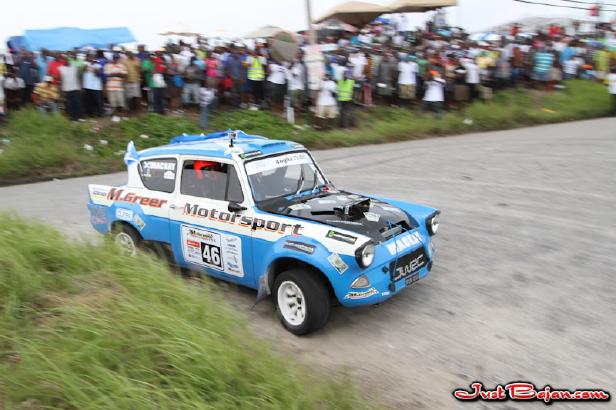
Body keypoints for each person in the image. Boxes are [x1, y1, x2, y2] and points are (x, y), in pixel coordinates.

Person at [58, 57, 82, 121]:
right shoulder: (61, 68)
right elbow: (61, 80)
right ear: (63, 61)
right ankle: (72, 118)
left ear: (70, 60)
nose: (66, 61)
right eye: (65, 60)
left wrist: (80, 87)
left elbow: (78, 77)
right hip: (66, 90)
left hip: (75, 88)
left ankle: (78, 117)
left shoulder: (74, 67)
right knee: (69, 105)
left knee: (77, 103)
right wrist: (62, 90)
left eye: (67, 60)